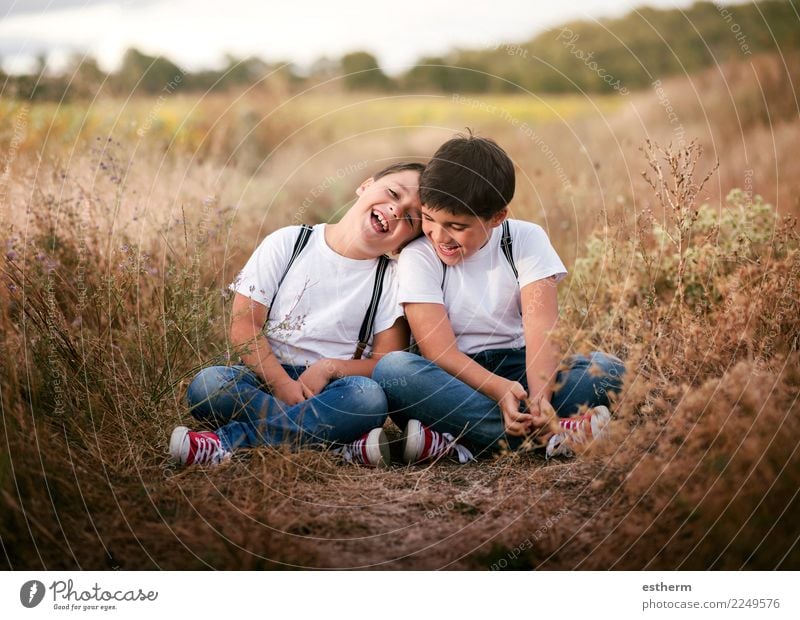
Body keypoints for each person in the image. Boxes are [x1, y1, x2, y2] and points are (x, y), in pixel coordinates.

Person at [372, 134, 624, 463]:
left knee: (608, 370)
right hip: (452, 380)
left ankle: (466, 439)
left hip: (520, 367)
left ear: (497, 217)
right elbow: (439, 351)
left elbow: (541, 327)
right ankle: (553, 433)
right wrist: (497, 389)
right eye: (430, 219)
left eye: (456, 226)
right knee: (392, 370)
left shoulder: (524, 238)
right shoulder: (418, 255)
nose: (439, 235)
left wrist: (539, 398)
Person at [169, 162, 425, 468]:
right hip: (263, 376)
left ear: (404, 244)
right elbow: (244, 326)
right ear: (366, 185)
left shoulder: (390, 279)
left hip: (333, 391)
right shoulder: (290, 242)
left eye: (410, 218)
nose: (396, 210)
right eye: (393, 193)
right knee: (209, 386)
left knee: (369, 399)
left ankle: (225, 443)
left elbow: (386, 362)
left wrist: (329, 368)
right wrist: (282, 384)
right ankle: (334, 443)